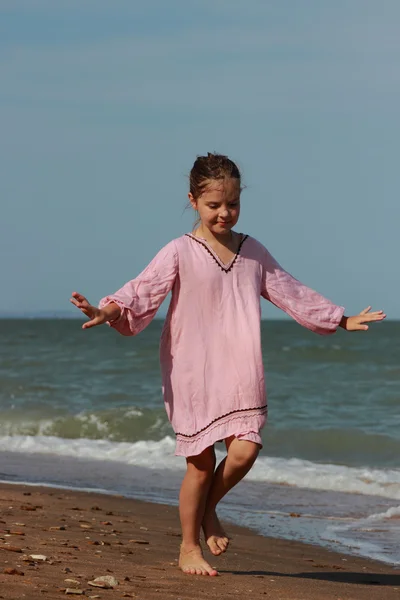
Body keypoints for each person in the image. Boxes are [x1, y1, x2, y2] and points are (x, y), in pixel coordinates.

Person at [70, 153, 386, 577]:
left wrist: (340, 318)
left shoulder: (252, 251)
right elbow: (142, 290)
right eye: (214, 205)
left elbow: (289, 290)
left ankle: (208, 510)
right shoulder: (179, 250)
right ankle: (187, 547)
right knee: (199, 463)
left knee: (246, 448)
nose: (224, 213)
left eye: (232, 204)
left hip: (239, 363)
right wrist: (108, 310)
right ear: (193, 201)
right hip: (192, 368)